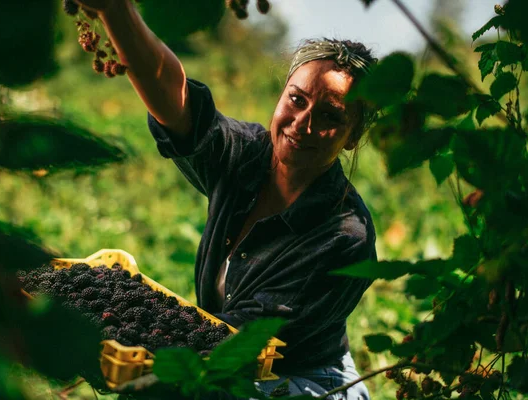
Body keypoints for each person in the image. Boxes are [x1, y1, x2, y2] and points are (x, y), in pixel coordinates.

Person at [75, 1, 377, 399]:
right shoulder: (247, 157)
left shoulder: (344, 237)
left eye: (329, 117)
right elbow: (179, 105)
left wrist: (124, 343)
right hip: (219, 353)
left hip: (302, 380)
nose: (302, 124)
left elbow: (237, 346)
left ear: (351, 137)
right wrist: (114, 12)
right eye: (297, 100)